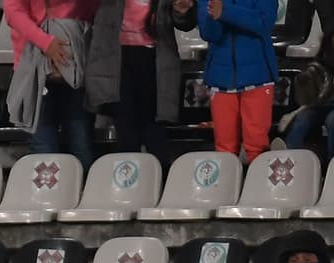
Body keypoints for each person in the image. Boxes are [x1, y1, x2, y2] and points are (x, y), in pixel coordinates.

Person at [86, 0, 190, 167]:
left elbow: (185, 22)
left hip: (155, 63)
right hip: (117, 62)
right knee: (127, 136)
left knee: (155, 134)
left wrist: (182, 12)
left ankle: (160, 186)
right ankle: (129, 187)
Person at [174, 0, 278, 163]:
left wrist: (226, 12)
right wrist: (213, 15)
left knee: (257, 147)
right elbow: (209, 34)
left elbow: (264, 22)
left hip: (258, 76)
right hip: (220, 78)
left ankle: (258, 187)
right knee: (225, 150)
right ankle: (226, 186)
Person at [6, 0, 100, 168]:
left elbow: (92, 10)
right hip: (32, 69)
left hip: (74, 66)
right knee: (44, 150)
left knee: (81, 145)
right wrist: (46, 42)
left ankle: (84, 191)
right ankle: (49, 194)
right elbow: (13, 13)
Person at [279, 29, 334, 161]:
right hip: (320, 105)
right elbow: (312, 97)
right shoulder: (321, 62)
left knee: (332, 121)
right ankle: (288, 158)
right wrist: (304, 82)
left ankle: (332, 164)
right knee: (302, 120)